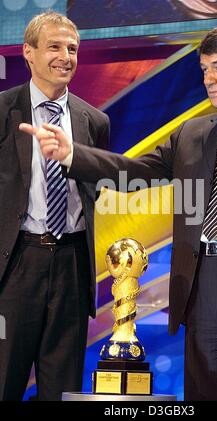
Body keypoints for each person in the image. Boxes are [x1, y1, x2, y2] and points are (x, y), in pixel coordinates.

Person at [21, 25, 217, 400]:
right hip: (201, 295)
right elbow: (132, 171)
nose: (208, 79)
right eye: (203, 69)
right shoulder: (191, 134)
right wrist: (72, 155)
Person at [0, 11, 109, 401]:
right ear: (28, 52)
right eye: (54, 47)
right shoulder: (3, 111)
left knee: (63, 389)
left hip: (72, 268)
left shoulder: (94, 121)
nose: (66, 56)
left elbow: (95, 191)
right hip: (14, 266)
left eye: (73, 48)